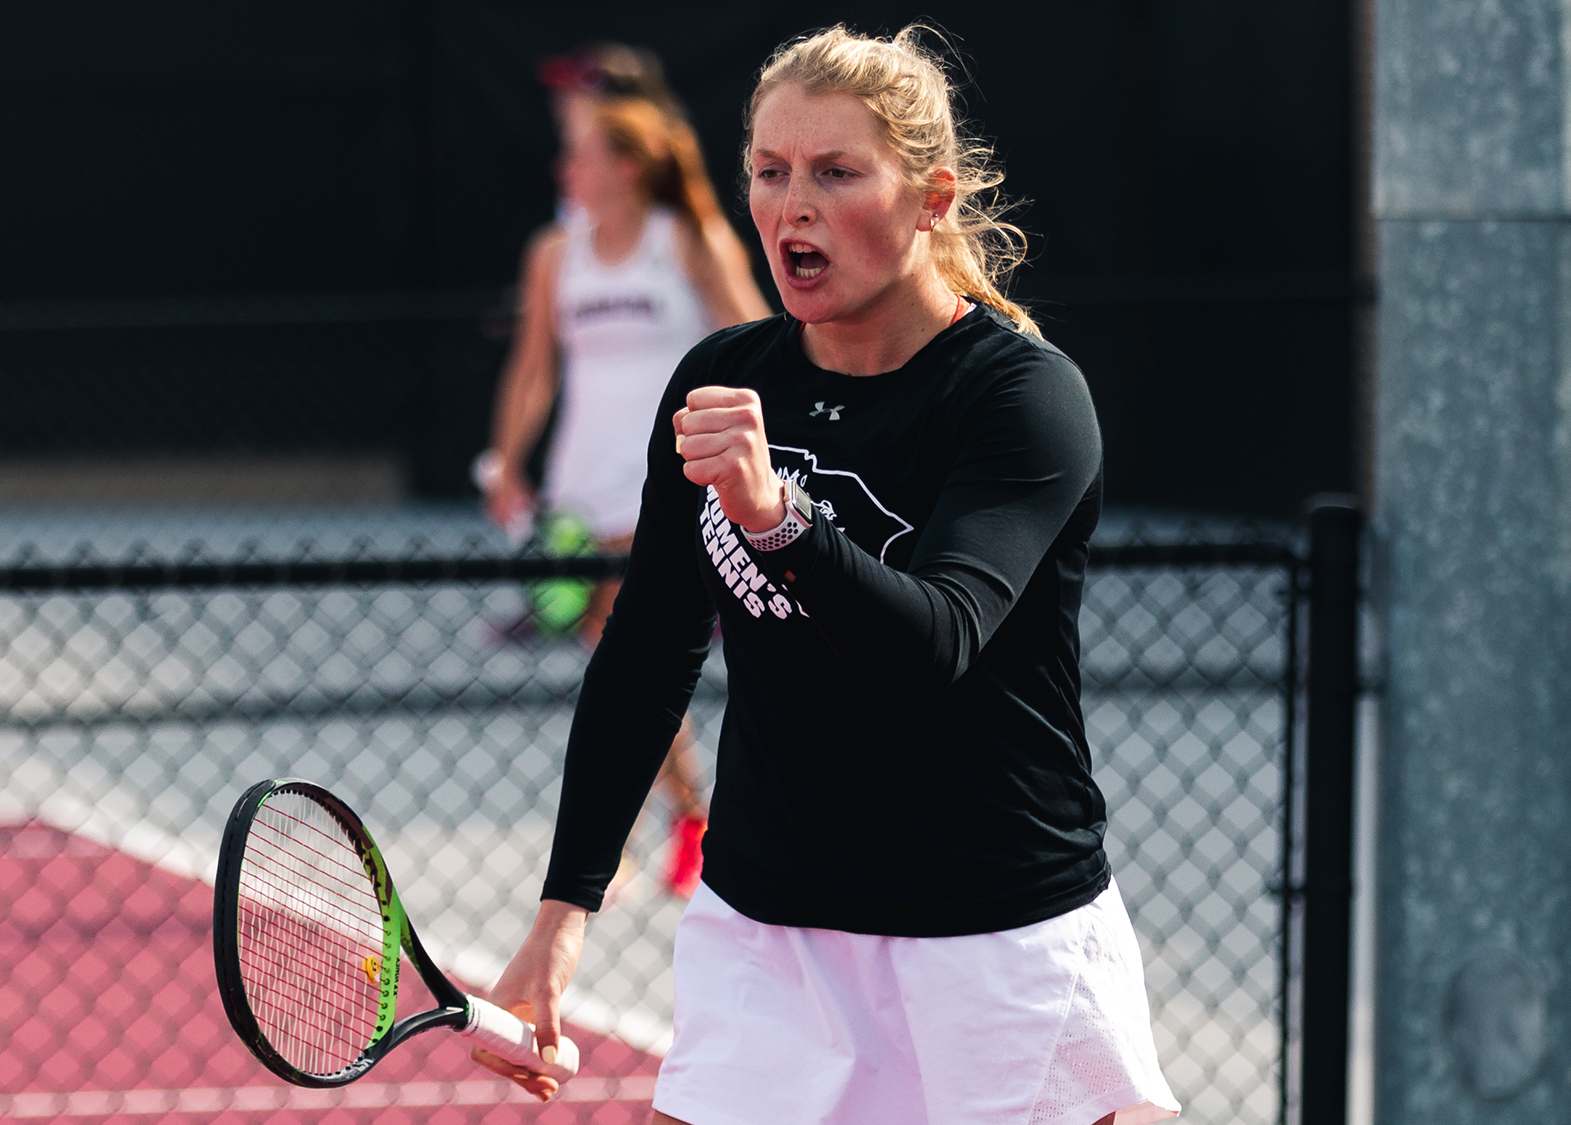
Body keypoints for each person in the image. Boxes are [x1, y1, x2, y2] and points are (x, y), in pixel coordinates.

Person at [474, 25, 1181, 1125]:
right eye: (768, 171)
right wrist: (561, 912)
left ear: (929, 198)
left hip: (993, 937)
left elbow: (936, 642)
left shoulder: (1018, 398)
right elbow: (645, 652)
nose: (789, 205)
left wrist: (776, 519)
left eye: (834, 172)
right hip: (770, 931)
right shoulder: (718, 379)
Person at [481, 69, 770, 896]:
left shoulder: (689, 240)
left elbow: (759, 338)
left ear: (628, 164)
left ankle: (661, 832)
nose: (563, 169)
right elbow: (534, 368)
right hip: (582, 491)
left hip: (671, 486)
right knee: (623, 671)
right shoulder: (553, 254)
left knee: (630, 666)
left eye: (579, 153)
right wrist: (507, 460)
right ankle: (688, 818)